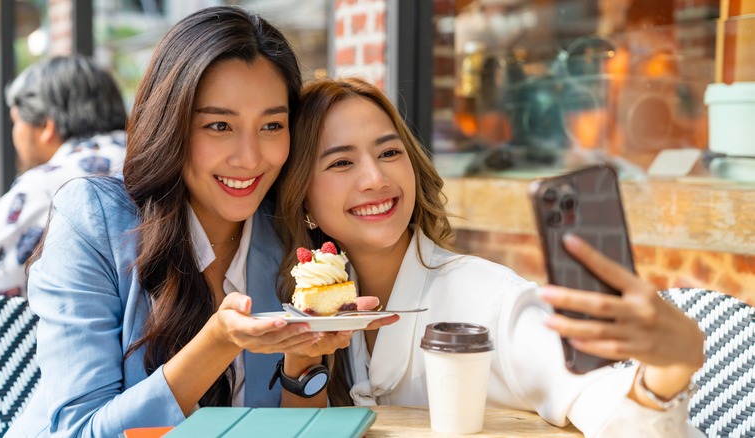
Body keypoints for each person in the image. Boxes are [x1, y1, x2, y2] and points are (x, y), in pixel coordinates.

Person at [6, 7, 371, 437]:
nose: (251, 158)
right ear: (170, 124)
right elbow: (80, 431)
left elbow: (290, 428)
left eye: (272, 125)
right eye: (219, 125)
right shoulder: (94, 221)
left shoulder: (288, 235)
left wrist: (304, 360)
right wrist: (217, 343)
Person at [275, 77, 705, 436]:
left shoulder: (490, 300)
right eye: (341, 163)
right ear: (305, 202)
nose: (375, 178)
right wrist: (302, 361)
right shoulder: (327, 307)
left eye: (389, 152)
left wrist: (667, 373)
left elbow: (601, 399)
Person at [0, 55, 127, 298]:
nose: (15, 133)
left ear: (46, 127)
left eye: (16, 121)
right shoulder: (151, 159)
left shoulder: (45, 184)